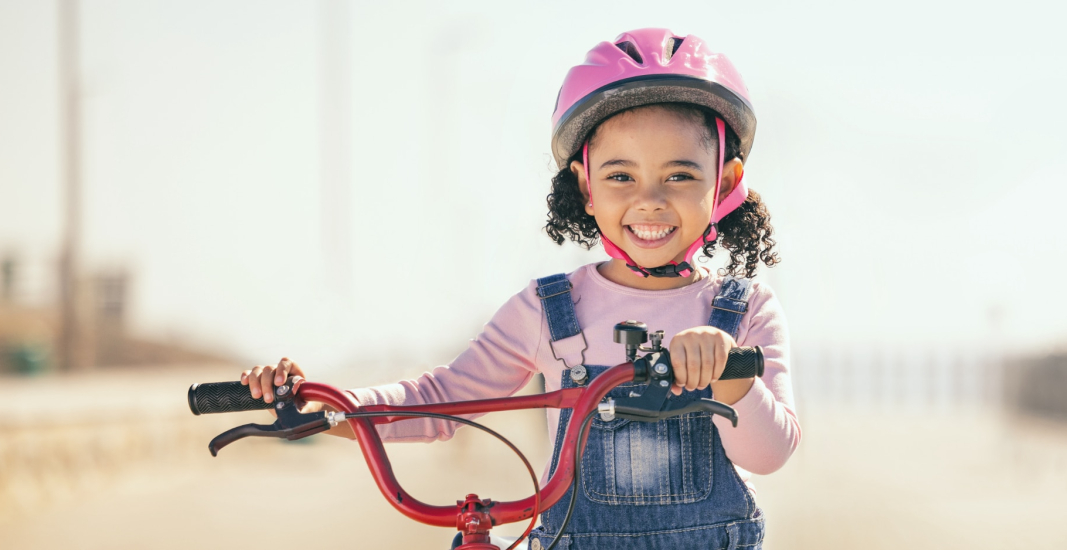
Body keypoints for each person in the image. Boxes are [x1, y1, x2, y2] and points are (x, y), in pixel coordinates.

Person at [239, 28, 797, 549]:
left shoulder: (745, 311)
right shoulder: (550, 310)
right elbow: (441, 402)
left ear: (723, 180)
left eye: (679, 175)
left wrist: (731, 382)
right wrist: (324, 406)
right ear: (585, 185)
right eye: (620, 176)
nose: (649, 199)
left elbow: (771, 454)